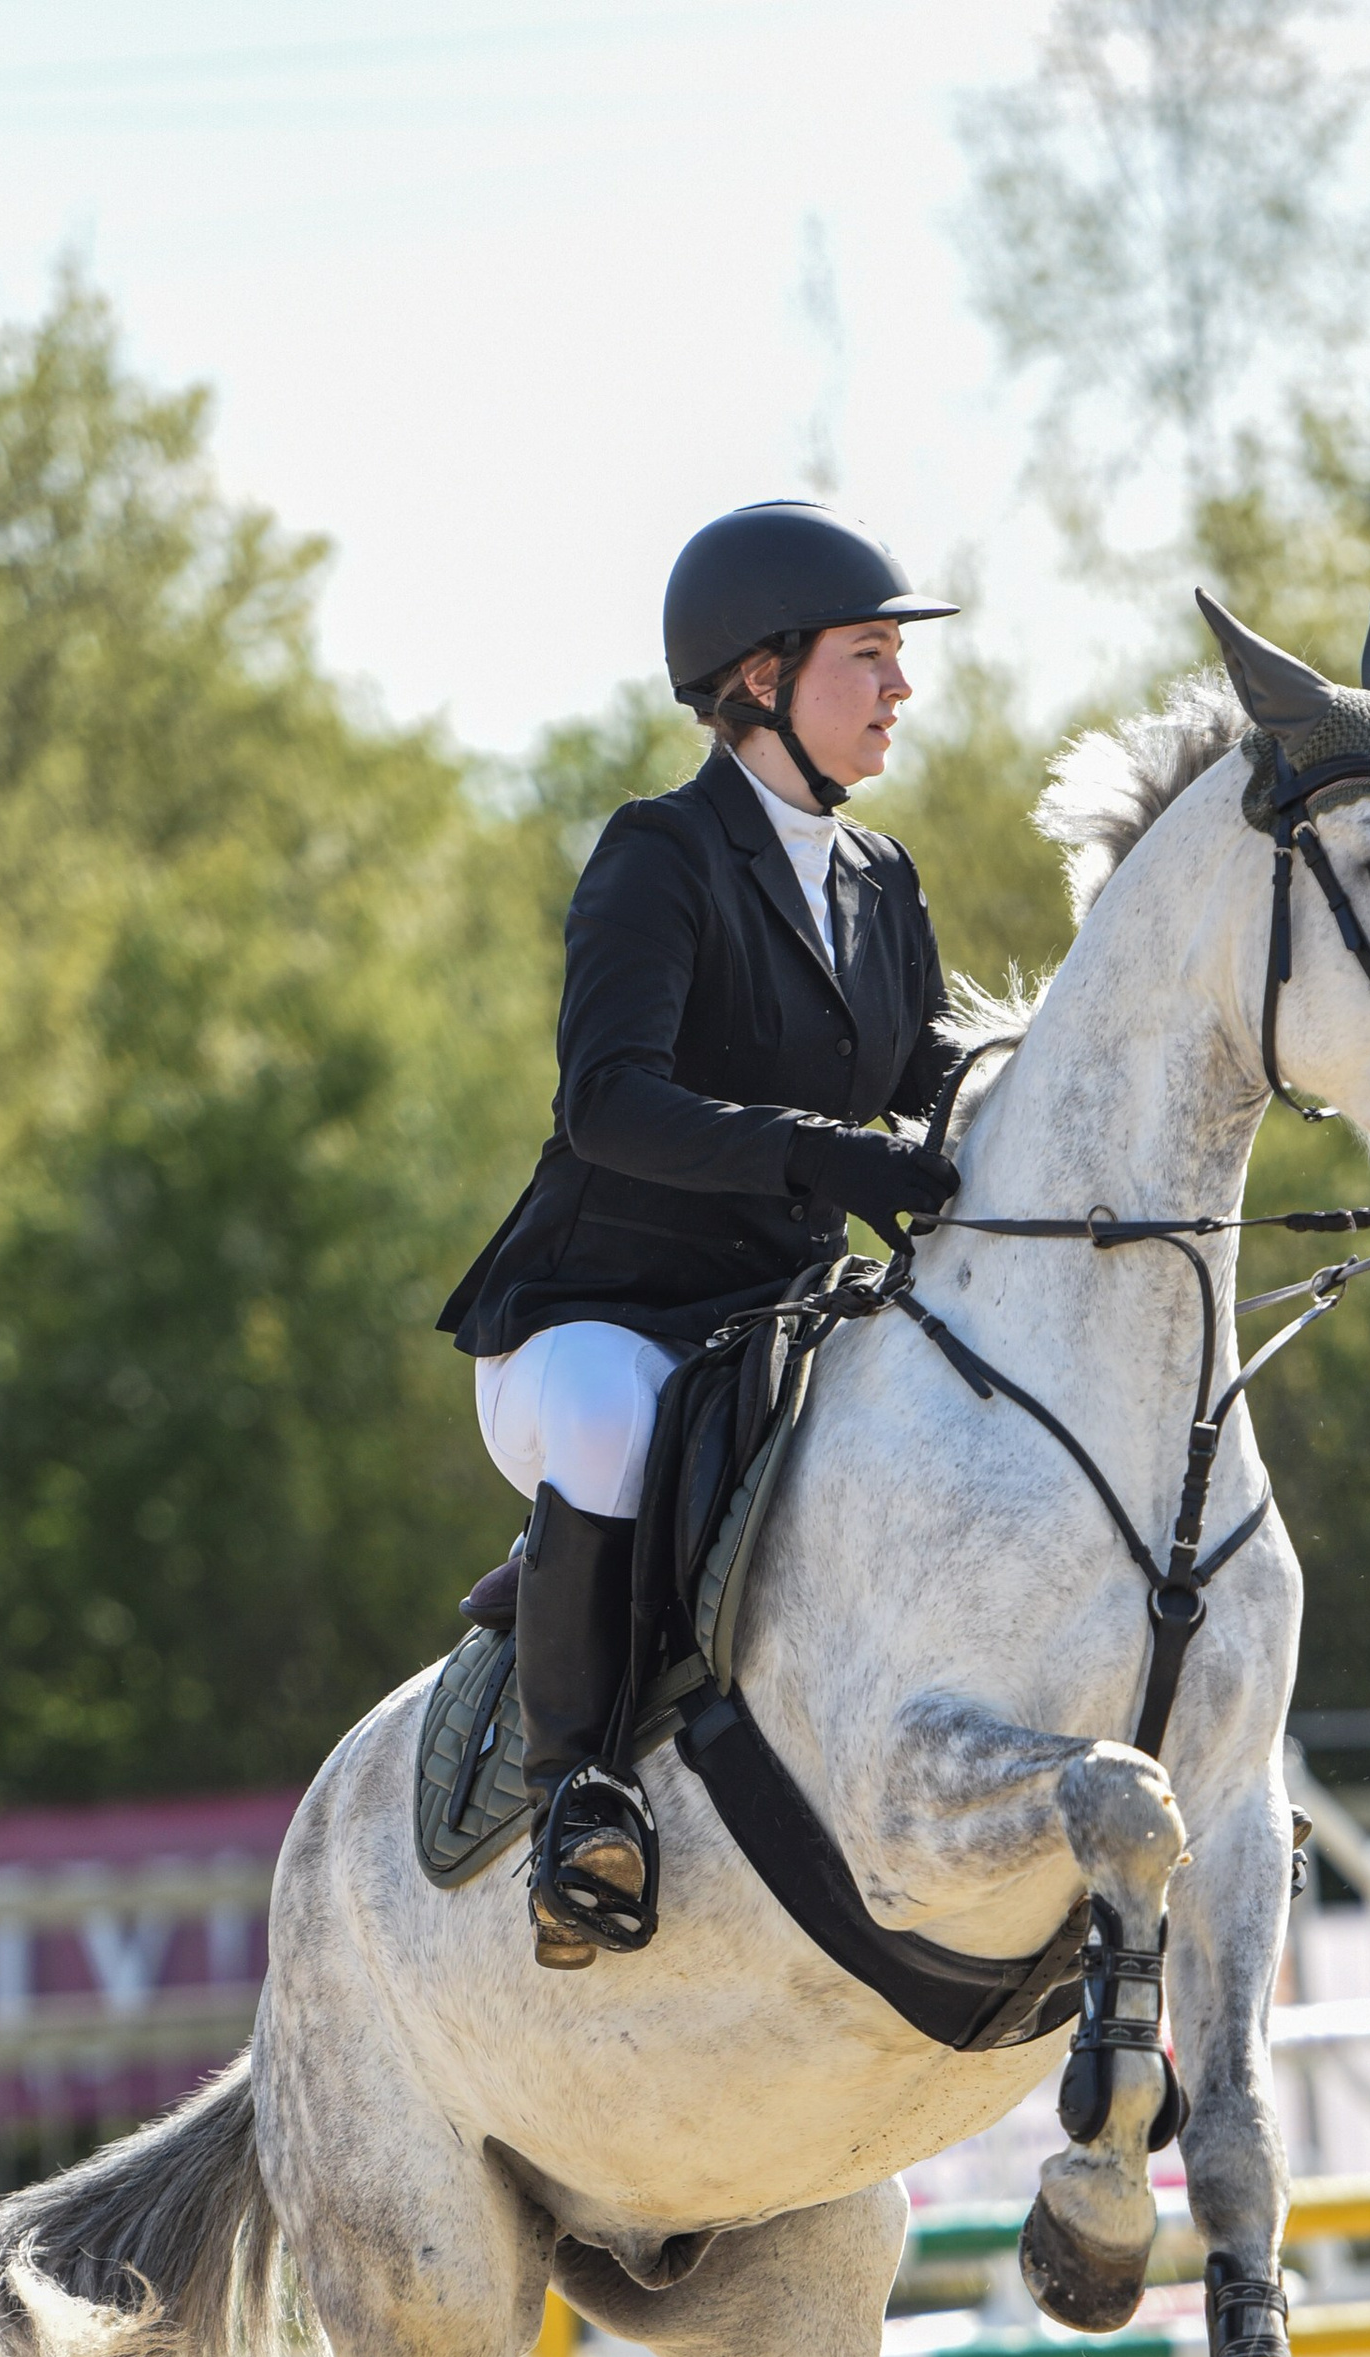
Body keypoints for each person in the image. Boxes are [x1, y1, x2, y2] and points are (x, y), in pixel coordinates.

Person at [439, 500, 967, 1966]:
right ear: (760, 679)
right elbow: (610, 1103)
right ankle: (576, 1799)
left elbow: (926, 1084)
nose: (899, 688)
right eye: (868, 657)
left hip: (775, 1328)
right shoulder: (658, 856)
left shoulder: (882, 882)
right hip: (596, 1316)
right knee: (617, 1420)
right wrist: (825, 1158)